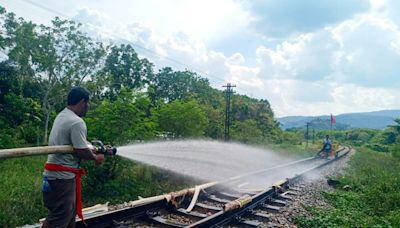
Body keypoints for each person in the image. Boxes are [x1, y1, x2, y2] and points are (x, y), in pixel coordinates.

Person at [42, 87, 105, 228]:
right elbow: (81, 150)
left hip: (53, 176)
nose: (88, 107)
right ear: (83, 102)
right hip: (62, 178)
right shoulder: (77, 122)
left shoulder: (62, 116)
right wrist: (96, 158)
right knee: (60, 218)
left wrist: (90, 147)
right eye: (88, 103)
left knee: (66, 215)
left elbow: (77, 143)